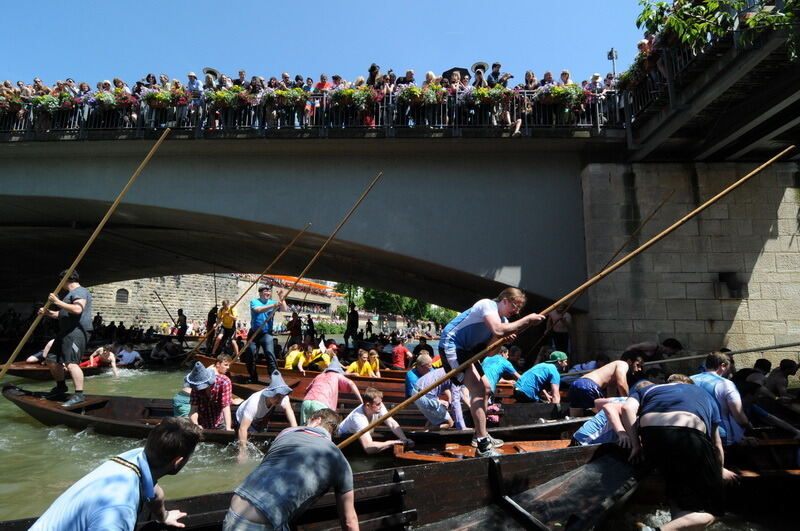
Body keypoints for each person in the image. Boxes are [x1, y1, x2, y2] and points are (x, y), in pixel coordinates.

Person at [32, 417, 201, 530]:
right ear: (177, 461)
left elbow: (154, 493)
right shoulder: (119, 508)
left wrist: (163, 516)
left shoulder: (134, 457)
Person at [620, 378, 738, 531]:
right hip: (688, 435)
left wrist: (636, 445)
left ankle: (674, 524)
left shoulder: (647, 389)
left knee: (677, 492)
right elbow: (716, 444)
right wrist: (719, 469)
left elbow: (626, 409)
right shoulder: (703, 394)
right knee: (713, 511)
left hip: (651, 437)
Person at [440, 287, 545, 456]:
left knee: (486, 387)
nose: (516, 311)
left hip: (468, 350)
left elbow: (489, 352)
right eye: (515, 306)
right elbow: (497, 330)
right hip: (452, 344)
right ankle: (482, 442)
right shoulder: (487, 305)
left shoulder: (502, 320)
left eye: (519, 308)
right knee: (478, 390)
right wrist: (526, 320)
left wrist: (500, 338)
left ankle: (480, 434)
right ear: (504, 300)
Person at [225, 409, 358, 530]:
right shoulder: (340, 461)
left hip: (233, 511)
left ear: (317, 420)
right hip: (262, 524)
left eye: (307, 421)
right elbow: (349, 521)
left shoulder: (285, 433)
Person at [39, 269, 93, 407]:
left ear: (64, 280)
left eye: (60, 280)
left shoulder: (79, 291)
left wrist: (56, 301)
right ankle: (61, 387)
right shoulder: (69, 295)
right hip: (65, 332)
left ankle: (79, 395)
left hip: (76, 332)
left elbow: (77, 309)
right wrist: (48, 312)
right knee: (51, 359)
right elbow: (63, 314)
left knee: (71, 363)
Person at [691, 352, 751, 446]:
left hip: (693, 431)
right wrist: (748, 427)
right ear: (723, 366)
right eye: (729, 368)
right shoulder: (726, 384)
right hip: (720, 436)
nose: (729, 371)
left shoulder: (689, 380)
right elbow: (739, 417)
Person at [236, 370, 297, 462]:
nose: (279, 399)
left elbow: (290, 412)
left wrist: (295, 432)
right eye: (276, 396)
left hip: (261, 418)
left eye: (281, 396)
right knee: (249, 442)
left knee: (261, 441)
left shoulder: (282, 397)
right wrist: (242, 452)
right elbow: (243, 429)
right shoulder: (254, 403)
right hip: (242, 420)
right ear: (269, 394)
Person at [336, 387, 413, 454]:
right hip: (343, 441)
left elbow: (391, 422)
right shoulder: (358, 418)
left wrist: (404, 439)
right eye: (378, 404)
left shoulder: (379, 405)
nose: (381, 406)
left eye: (380, 403)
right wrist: (392, 443)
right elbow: (368, 448)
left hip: (359, 442)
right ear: (368, 405)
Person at [245, 286, 288, 382]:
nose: (268, 293)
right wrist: (274, 305)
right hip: (254, 333)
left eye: (269, 291)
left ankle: (274, 378)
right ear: (260, 293)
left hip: (266, 333)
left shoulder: (273, 302)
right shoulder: (254, 301)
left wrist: (282, 297)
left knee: (270, 354)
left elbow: (285, 309)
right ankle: (253, 377)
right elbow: (259, 310)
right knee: (251, 353)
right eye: (265, 291)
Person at [568, 358, 636, 417]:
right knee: (606, 416)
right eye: (638, 365)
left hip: (576, 383)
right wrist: (627, 402)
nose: (639, 369)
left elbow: (610, 398)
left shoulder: (611, 374)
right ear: (629, 361)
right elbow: (621, 383)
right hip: (589, 385)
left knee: (575, 419)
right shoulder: (623, 364)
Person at [301, 358, 362, 423]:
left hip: (306, 402)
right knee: (321, 429)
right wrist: (361, 400)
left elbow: (306, 390)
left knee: (305, 429)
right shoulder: (337, 375)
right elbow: (351, 383)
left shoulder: (319, 375)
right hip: (321, 403)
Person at [186, 359, 232, 430]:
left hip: (220, 421)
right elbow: (193, 409)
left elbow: (225, 407)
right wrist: (196, 425)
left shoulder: (224, 382)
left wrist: (228, 428)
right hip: (202, 422)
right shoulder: (195, 385)